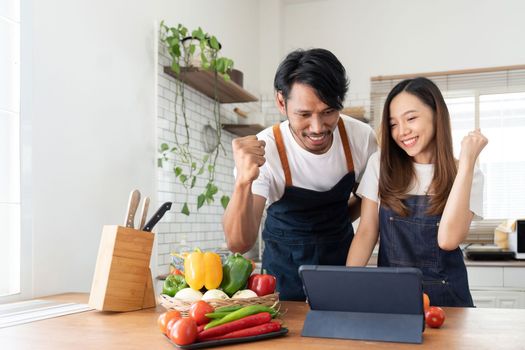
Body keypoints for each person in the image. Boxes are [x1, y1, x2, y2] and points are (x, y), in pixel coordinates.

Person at [222, 48, 377, 300]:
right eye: (304, 115)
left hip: (342, 264)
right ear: (281, 102)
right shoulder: (267, 149)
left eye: (328, 112)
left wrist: (332, 222)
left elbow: (368, 199)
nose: (317, 128)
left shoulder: (360, 138)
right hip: (283, 273)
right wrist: (242, 181)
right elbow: (239, 243)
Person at [346, 77, 488, 307]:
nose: (402, 131)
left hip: (449, 303)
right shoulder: (380, 165)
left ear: (436, 114)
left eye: (411, 118)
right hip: (394, 298)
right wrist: (345, 287)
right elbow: (366, 233)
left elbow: (448, 240)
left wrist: (467, 163)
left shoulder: (468, 174)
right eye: (393, 124)